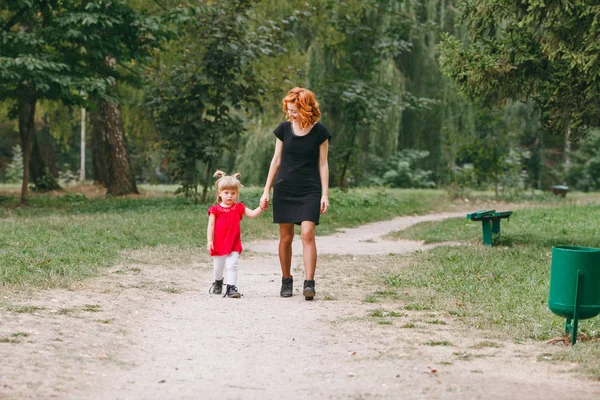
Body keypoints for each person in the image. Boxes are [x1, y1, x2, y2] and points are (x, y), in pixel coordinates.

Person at [260, 87, 331, 300]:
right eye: (289, 110)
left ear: (306, 108)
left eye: (294, 110)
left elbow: (323, 163)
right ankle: (286, 280)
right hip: (285, 187)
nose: (290, 114)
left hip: (310, 189)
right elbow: (276, 160)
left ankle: (309, 283)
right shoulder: (283, 129)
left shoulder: (320, 132)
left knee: (308, 233)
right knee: (286, 237)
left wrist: (325, 194)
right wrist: (266, 191)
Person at [207, 170, 264, 298]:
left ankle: (231, 288)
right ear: (219, 193)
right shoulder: (215, 210)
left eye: (233, 193)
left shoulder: (239, 207)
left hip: (233, 243)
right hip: (218, 243)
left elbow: (253, 214)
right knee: (218, 267)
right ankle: (218, 281)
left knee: (232, 265)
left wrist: (261, 207)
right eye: (226, 193)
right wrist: (209, 241)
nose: (229, 196)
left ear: (237, 194)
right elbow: (211, 226)